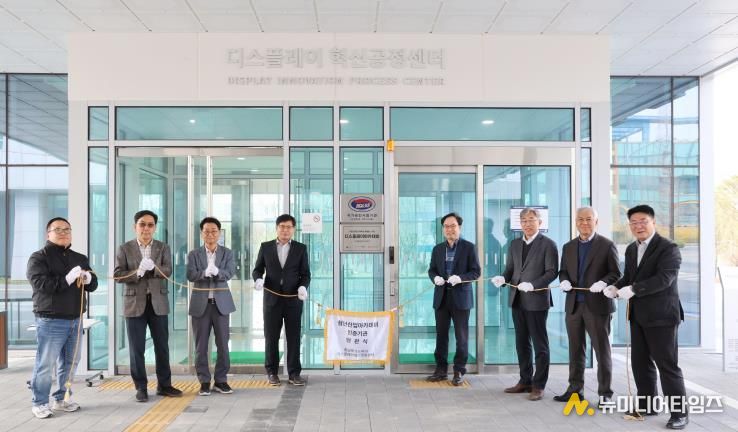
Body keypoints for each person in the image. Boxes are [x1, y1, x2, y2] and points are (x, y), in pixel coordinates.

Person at [604, 204, 688, 430]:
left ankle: (679, 413)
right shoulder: (632, 248)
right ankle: (648, 405)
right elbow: (629, 276)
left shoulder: (668, 248)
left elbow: (664, 279)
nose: (638, 226)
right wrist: (615, 287)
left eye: (643, 221)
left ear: (653, 222)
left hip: (662, 316)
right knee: (640, 363)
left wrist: (634, 290)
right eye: (633, 223)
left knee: (667, 365)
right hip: (638, 315)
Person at [26, 217, 98, 418]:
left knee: (70, 363)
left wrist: (89, 278)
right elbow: (41, 285)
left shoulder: (79, 258)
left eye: (67, 229)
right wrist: (67, 279)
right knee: (45, 363)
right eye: (58, 229)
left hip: (76, 318)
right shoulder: (38, 258)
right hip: (51, 319)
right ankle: (40, 402)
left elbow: (93, 285)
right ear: (48, 233)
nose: (63, 233)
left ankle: (61, 399)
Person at [554, 207, 621, 406]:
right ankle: (575, 390)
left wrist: (603, 282)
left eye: (589, 219)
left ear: (596, 222)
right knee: (575, 350)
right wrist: (564, 281)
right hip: (574, 305)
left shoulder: (607, 245)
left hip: (598, 307)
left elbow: (616, 273)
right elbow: (563, 271)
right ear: (576, 222)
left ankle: (605, 394)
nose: (584, 223)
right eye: (580, 219)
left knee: (602, 351)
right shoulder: (568, 247)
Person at [114, 210, 182, 402]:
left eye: (150, 225)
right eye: (142, 224)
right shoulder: (124, 248)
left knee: (162, 347)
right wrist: (138, 272)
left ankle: (164, 385)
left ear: (155, 228)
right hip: (134, 304)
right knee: (137, 349)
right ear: (135, 227)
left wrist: (154, 268)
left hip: (158, 303)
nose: (146, 228)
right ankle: (141, 387)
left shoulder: (163, 247)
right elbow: (118, 275)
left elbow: (168, 270)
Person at [493, 207, 558, 401]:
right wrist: (502, 278)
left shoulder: (548, 244)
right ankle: (525, 380)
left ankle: (539, 385)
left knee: (540, 344)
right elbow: (510, 269)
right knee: (521, 343)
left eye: (531, 220)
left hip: (537, 300)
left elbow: (552, 272)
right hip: (517, 299)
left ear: (539, 222)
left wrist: (533, 285)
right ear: (520, 224)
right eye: (524, 221)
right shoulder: (514, 244)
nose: (527, 224)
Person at [252, 214, 311, 386]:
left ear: (294, 229)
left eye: (289, 227)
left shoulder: (300, 248)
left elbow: (305, 274)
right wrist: (258, 279)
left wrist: (303, 287)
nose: (285, 230)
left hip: (293, 300)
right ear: (277, 228)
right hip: (272, 300)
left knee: (294, 337)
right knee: (271, 336)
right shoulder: (266, 247)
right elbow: (257, 270)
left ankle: (294, 373)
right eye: (282, 227)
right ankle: (272, 372)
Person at [426, 212, 481, 386]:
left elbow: (476, 272)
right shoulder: (437, 249)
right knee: (441, 335)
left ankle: (459, 370)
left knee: (461, 337)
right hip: (441, 297)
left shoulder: (469, 247)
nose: (449, 229)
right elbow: (431, 270)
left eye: (453, 226)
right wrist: (435, 278)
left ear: (459, 227)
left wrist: (461, 278)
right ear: (443, 229)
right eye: (446, 226)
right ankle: (441, 370)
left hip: (461, 298)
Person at [187, 217, 237, 396]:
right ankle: (204, 381)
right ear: (201, 233)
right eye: (206, 231)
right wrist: (203, 273)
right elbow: (190, 274)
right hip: (201, 305)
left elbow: (230, 272)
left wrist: (217, 272)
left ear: (219, 233)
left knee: (223, 344)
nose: (210, 234)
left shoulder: (227, 253)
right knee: (200, 346)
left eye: (214, 231)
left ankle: (221, 380)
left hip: (221, 305)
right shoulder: (194, 254)